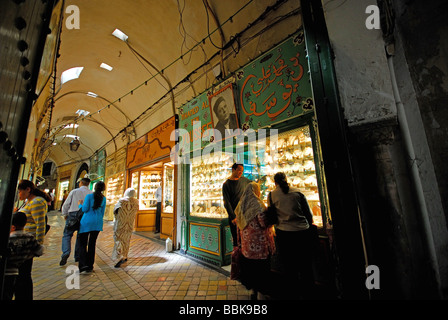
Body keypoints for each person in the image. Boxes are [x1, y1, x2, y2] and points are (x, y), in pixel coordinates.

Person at [268, 172, 315, 299]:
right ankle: (309, 291)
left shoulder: (272, 195)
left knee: (289, 265)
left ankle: (292, 292)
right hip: (302, 233)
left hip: (284, 234)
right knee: (305, 265)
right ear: (286, 179)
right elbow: (308, 214)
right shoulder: (298, 192)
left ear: (275, 182)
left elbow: (271, 216)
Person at [234, 182, 276, 300]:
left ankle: (253, 292)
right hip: (259, 245)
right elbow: (263, 223)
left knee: (251, 270)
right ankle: (261, 296)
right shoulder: (258, 204)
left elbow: (238, 223)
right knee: (261, 271)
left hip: (247, 246)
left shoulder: (241, 204)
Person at [14, 179, 49, 300]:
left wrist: (38, 245)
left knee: (24, 273)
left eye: (20, 191)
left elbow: (40, 224)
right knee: (21, 273)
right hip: (21, 241)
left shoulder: (37, 202)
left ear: (28, 190)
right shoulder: (27, 201)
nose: (19, 194)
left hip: (27, 243)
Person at [4, 212, 44, 300]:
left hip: (7, 271)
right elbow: (40, 251)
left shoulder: (8, 239)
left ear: (13, 226)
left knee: (7, 294)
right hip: (19, 269)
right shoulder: (30, 237)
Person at [60, 177, 92, 266]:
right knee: (80, 236)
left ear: (81, 182)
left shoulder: (74, 191)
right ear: (88, 184)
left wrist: (65, 214)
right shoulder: (91, 193)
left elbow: (66, 204)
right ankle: (77, 256)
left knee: (67, 234)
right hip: (84, 215)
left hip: (73, 215)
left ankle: (66, 252)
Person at [78, 181, 106, 273]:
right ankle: (90, 265)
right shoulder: (103, 198)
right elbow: (102, 213)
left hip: (86, 222)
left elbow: (85, 209)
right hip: (97, 223)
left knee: (82, 243)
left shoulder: (89, 196)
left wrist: (80, 204)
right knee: (92, 244)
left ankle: (83, 264)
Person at [222, 163, 251, 247]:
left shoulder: (244, 180)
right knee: (236, 240)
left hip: (245, 215)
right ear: (233, 170)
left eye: (242, 171)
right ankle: (237, 258)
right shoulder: (226, 184)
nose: (240, 173)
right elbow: (226, 202)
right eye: (239, 170)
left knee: (246, 239)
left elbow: (254, 186)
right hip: (235, 217)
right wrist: (233, 217)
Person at [112, 188, 138, 268]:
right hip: (129, 224)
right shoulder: (136, 202)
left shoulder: (121, 201)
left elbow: (115, 211)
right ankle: (125, 255)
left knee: (118, 239)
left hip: (120, 223)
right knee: (127, 239)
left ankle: (118, 256)